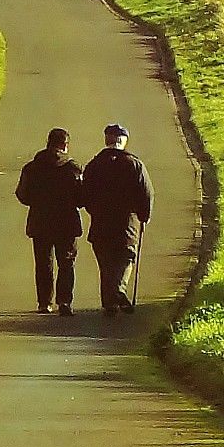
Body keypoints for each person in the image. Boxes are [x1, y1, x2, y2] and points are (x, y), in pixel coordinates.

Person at [82, 123, 154, 316]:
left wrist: (94, 209)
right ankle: (119, 291)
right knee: (125, 258)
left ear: (107, 140)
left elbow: (84, 194)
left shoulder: (94, 165)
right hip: (127, 223)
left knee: (105, 262)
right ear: (124, 141)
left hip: (100, 222)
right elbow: (146, 193)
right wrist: (144, 214)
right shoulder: (135, 164)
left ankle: (110, 303)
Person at [14, 128, 86, 315]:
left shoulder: (32, 168)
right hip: (67, 223)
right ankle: (64, 302)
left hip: (40, 221)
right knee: (66, 262)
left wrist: (37, 202)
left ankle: (44, 302)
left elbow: (22, 195)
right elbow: (81, 197)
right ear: (64, 145)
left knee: (44, 263)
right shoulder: (73, 168)